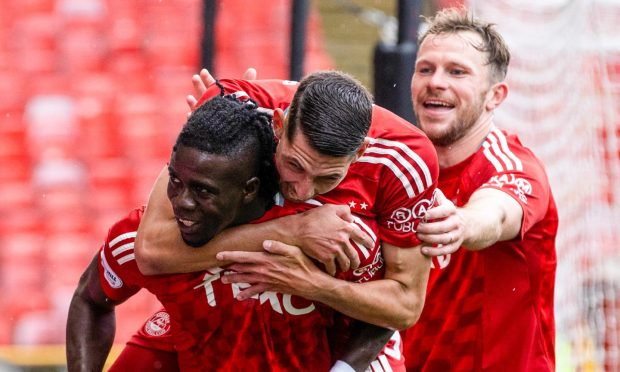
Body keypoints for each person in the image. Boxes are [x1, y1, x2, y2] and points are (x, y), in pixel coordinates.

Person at [135, 70, 441, 371]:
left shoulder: (406, 159)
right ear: (278, 126)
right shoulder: (231, 110)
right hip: (224, 332)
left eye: (329, 177)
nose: (302, 189)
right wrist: (292, 231)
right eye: (294, 164)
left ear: (360, 153)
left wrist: (311, 283)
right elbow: (151, 251)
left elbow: (405, 306)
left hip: (346, 344)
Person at [396, 8, 558, 371]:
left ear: (495, 95)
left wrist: (461, 223)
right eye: (425, 69)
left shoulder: (513, 166)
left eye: (457, 72)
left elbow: (497, 212)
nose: (436, 82)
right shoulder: (401, 167)